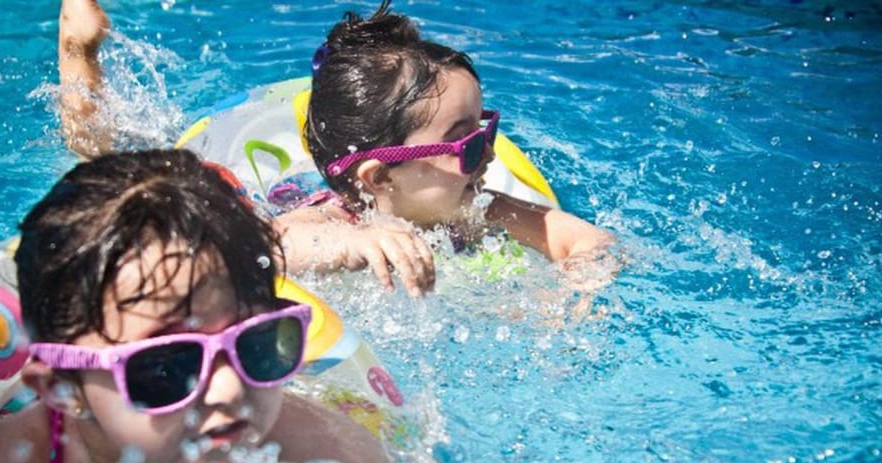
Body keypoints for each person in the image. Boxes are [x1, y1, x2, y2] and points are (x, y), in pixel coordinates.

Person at [0, 148, 388, 463]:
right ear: (60, 388)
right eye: (167, 366)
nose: (229, 389)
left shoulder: (311, 450)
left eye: (257, 343)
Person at [56, 0, 613, 298]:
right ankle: (79, 52)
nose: (486, 156)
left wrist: (576, 290)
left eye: (485, 132)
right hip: (265, 198)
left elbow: (585, 240)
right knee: (109, 175)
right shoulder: (333, 218)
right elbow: (262, 248)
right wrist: (352, 243)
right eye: (463, 145)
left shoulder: (478, 208)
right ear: (379, 178)